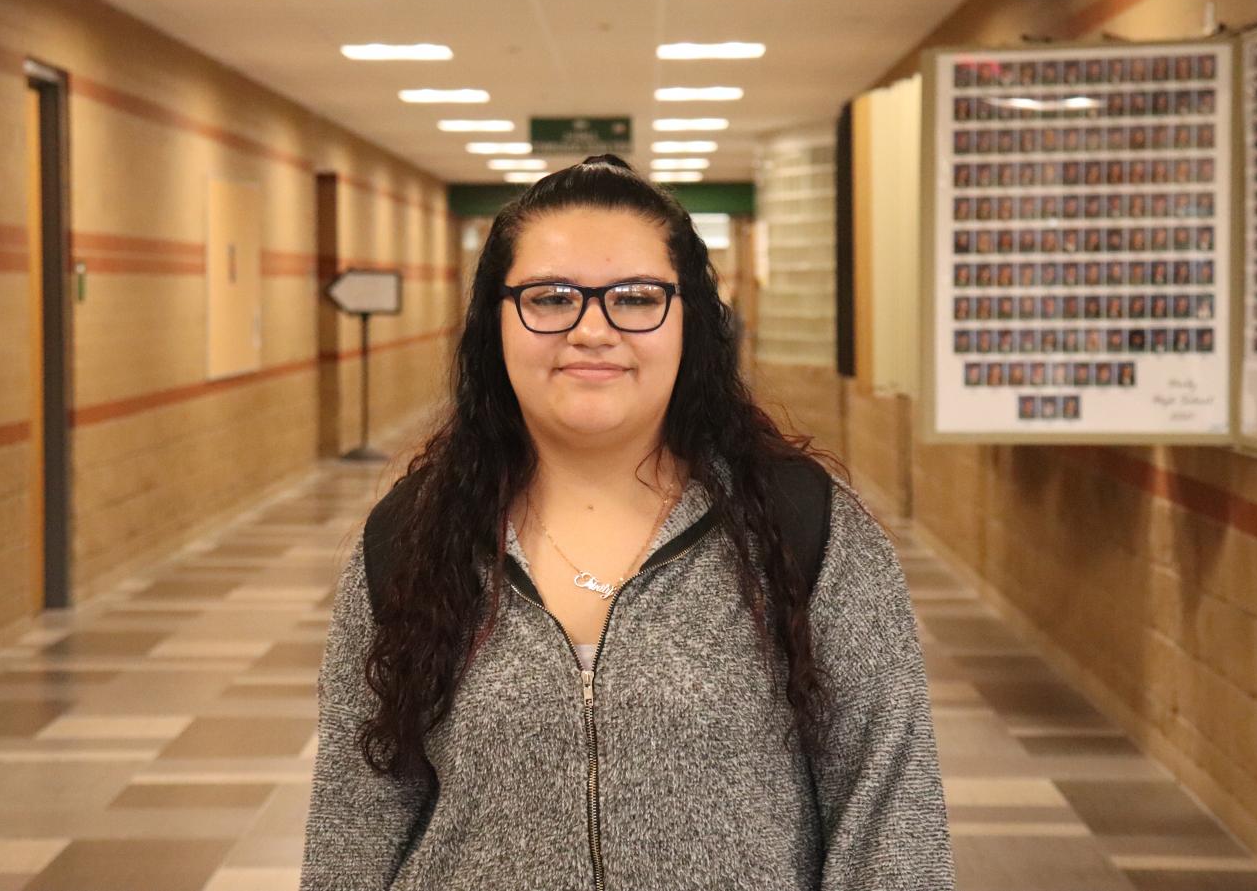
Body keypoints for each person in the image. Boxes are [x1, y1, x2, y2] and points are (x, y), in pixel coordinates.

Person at [299, 155, 955, 890]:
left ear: (690, 322)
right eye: (549, 298)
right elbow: (357, 813)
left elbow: (888, 813)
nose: (591, 329)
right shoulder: (415, 534)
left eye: (635, 297)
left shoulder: (802, 526)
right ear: (496, 319)